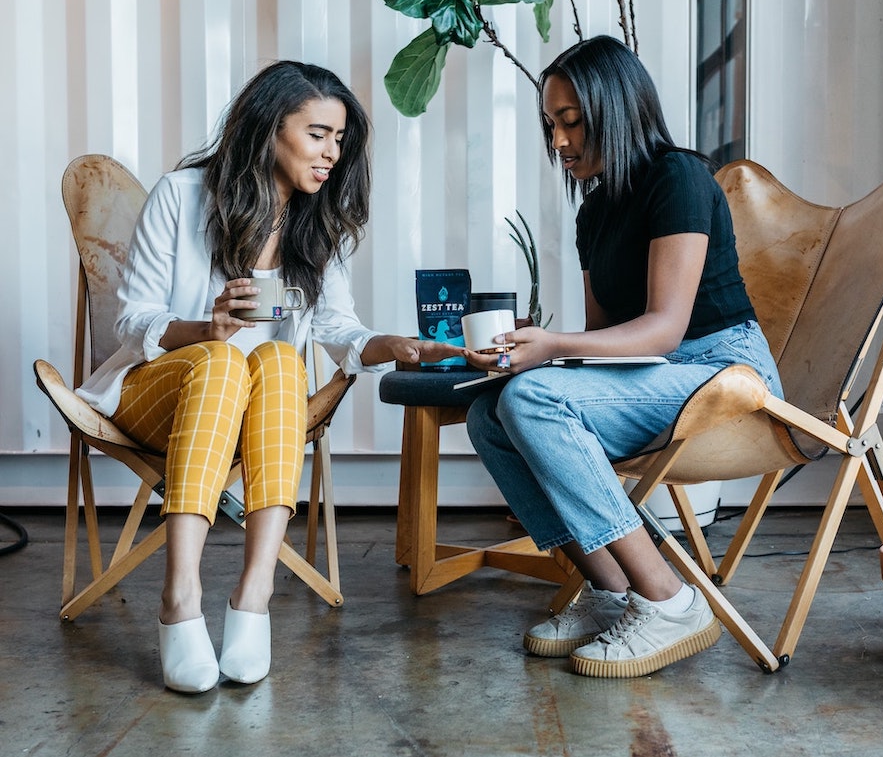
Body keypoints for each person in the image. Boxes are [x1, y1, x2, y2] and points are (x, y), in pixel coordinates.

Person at [76, 60, 456, 693]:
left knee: (279, 358)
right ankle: (180, 596)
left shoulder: (317, 222)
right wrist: (206, 329)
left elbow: (337, 327)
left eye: (340, 139)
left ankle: (254, 596)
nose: (332, 152)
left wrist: (389, 344)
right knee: (227, 359)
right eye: (317, 134)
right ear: (268, 129)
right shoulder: (183, 194)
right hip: (157, 390)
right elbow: (133, 318)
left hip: (256, 405)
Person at [463, 36, 783, 678]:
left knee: (530, 396)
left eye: (572, 122)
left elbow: (663, 330)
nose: (558, 141)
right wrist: (539, 347)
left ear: (615, 106)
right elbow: (607, 340)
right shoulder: (596, 213)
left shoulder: (679, 177)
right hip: (656, 378)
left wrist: (553, 350)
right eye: (551, 125)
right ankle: (612, 592)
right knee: (490, 412)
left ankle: (669, 603)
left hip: (725, 376)